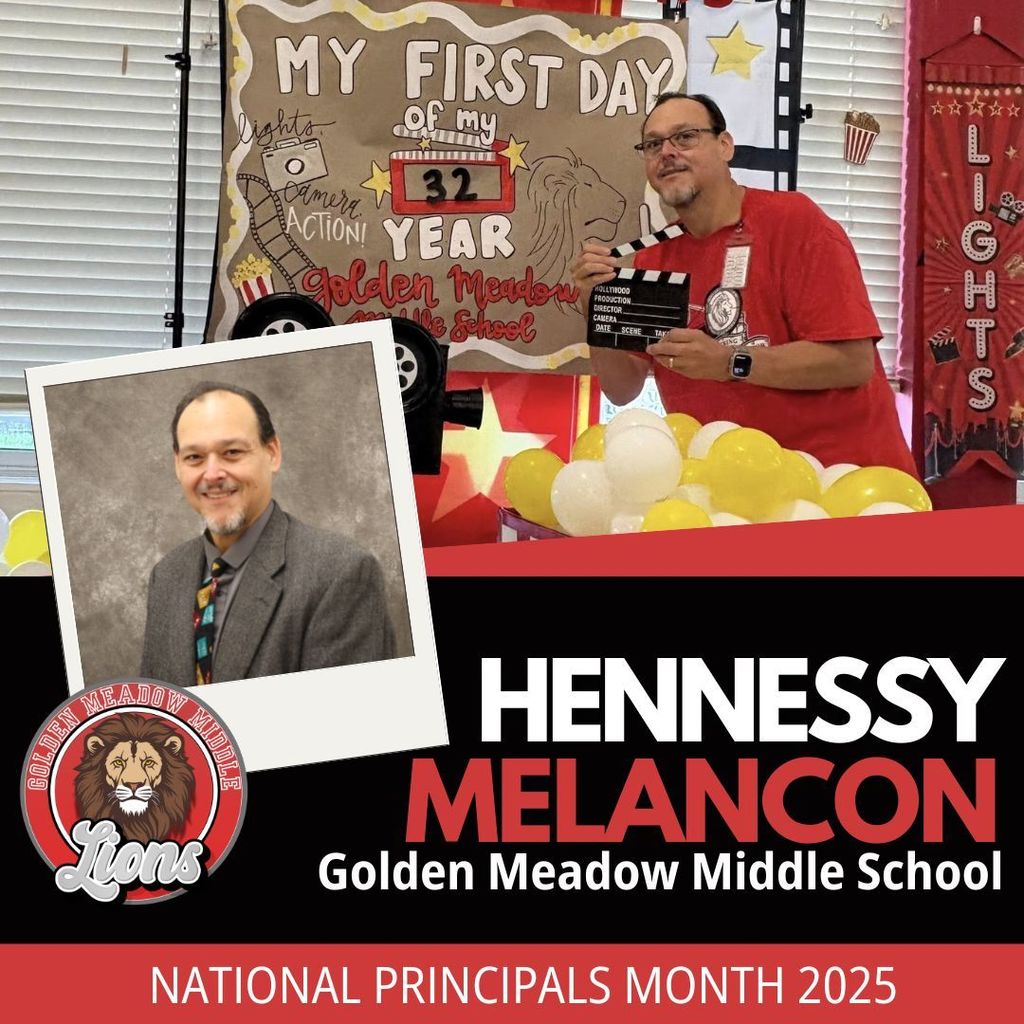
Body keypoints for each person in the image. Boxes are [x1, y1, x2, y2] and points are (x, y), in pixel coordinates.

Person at [570, 92, 916, 474]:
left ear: (725, 146)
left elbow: (852, 363)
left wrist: (729, 362)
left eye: (685, 137)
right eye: (653, 144)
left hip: (839, 485)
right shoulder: (654, 258)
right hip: (729, 490)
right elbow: (622, 389)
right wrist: (597, 308)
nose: (666, 152)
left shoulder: (794, 223)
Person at [140, 381, 395, 688]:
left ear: (272, 453)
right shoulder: (166, 576)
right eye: (194, 457)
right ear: (178, 466)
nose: (212, 474)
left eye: (232, 452)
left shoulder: (341, 574)